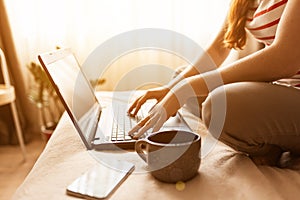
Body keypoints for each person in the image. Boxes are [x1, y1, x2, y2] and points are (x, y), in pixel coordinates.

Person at [128, 0, 300, 166]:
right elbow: (217, 50)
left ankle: (270, 146)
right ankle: (274, 141)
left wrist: (187, 88)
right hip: (284, 91)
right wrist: (173, 89)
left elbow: (284, 60)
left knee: (217, 104)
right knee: (180, 77)